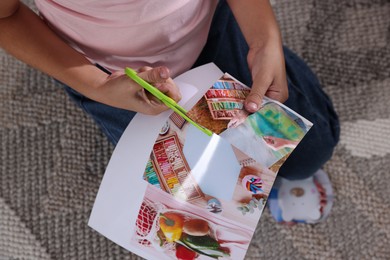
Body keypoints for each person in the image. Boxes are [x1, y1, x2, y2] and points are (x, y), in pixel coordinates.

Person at [0, 0, 340, 223]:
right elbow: (7, 15)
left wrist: (264, 39)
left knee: (308, 150)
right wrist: (98, 87)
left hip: (213, 26)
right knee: (192, 197)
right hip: (109, 75)